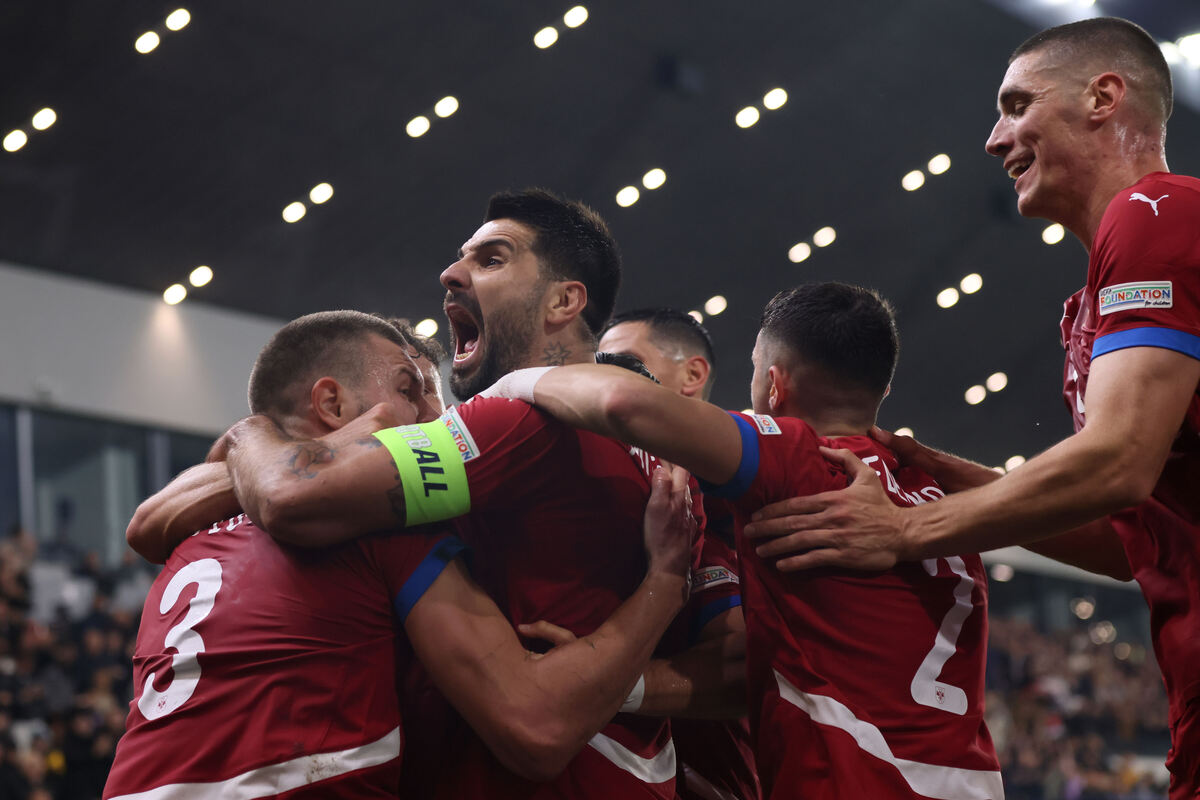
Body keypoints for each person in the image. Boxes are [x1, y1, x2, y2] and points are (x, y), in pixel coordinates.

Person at [126, 190, 743, 799]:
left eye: (491, 259)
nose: (451, 274)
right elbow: (740, 667)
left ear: (563, 300)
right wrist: (640, 651)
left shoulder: (515, 421)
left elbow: (280, 495)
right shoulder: (678, 469)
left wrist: (248, 434)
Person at [740, 17, 1200, 796]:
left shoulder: (1158, 214)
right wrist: (968, 481)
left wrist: (907, 528)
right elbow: (1138, 541)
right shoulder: (1086, 309)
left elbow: (1119, 462)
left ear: (1103, 96)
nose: (996, 138)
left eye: (1017, 104)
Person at [480, 282, 1004, 799]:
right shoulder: (946, 499)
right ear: (881, 390)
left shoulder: (803, 459)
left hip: (859, 781)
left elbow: (622, 402)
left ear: (773, 386)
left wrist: (507, 386)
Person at [603, 308, 760, 800]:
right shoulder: (607, 493)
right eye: (599, 363)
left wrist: (595, 685)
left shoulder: (739, 500)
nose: (605, 377)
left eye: (627, 362)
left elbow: (740, 666)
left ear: (692, 375)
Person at [599, 308, 716, 400]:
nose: (600, 381)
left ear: (692, 375)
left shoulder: (733, 428)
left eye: (623, 364)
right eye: (600, 370)